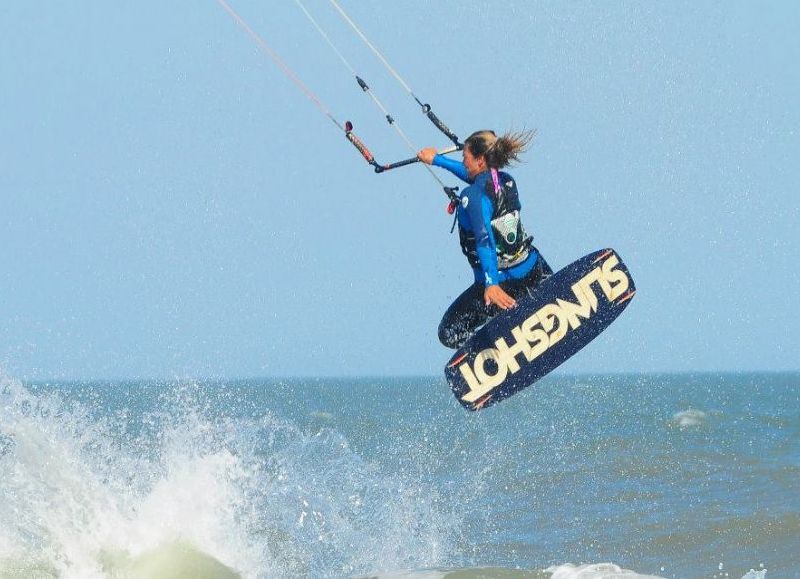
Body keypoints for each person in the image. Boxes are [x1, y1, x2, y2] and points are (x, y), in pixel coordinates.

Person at [417, 129, 552, 349]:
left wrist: (492, 284)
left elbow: (484, 239)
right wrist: (437, 160)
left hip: (501, 287)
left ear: (480, 160)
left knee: (449, 333)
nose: (464, 162)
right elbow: (477, 177)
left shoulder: (472, 196)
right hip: (534, 270)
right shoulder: (506, 181)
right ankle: (538, 302)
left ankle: (500, 349)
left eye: (466, 158)